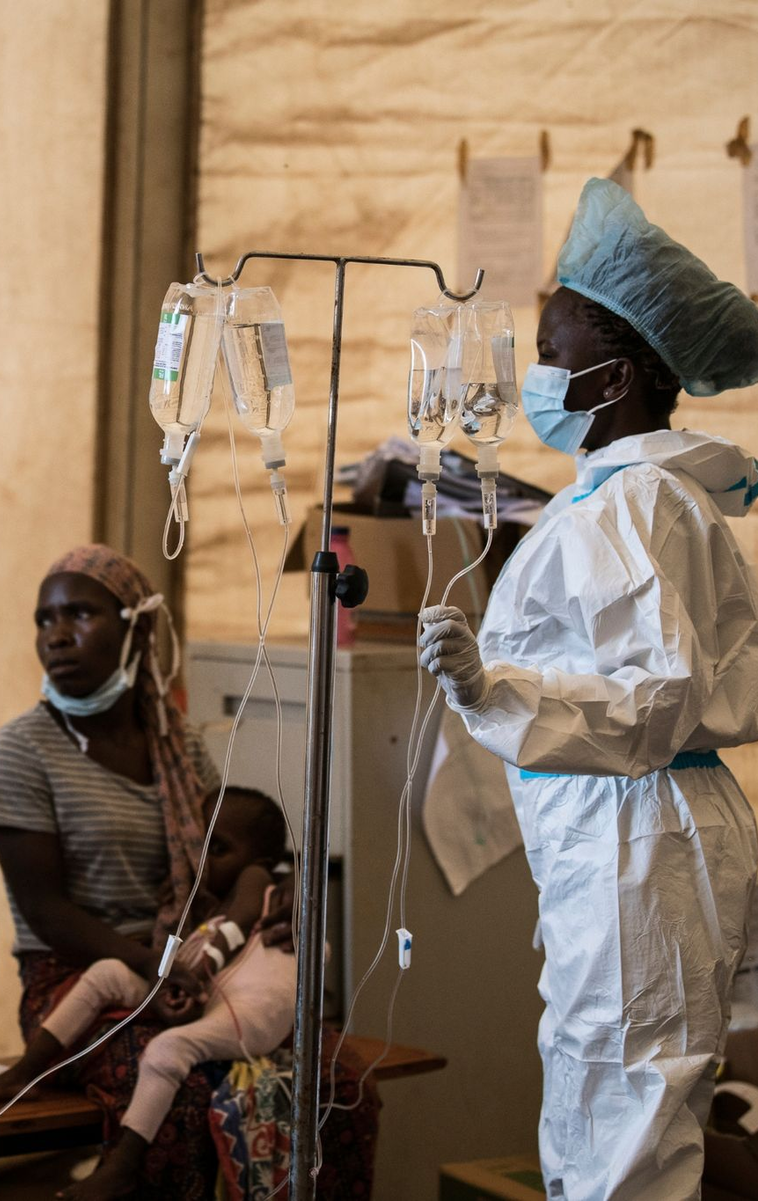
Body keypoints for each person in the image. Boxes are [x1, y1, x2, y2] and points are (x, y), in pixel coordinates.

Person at [419, 178, 758, 1199]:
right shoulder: (623, 500)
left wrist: (494, 687)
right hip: (630, 841)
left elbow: (653, 700)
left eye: (556, 354)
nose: (539, 374)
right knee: (608, 1114)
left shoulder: (639, 505)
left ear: (612, 379)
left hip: (637, 841)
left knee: (625, 1139)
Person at [0, 544, 378, 1199]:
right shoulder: (24, 750)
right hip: (78, 983)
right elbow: (45, 908)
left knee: (333, 1074)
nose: (55, 634)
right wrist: (153, 964)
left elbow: (235, 856)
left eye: (79, 613)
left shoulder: (179, 743)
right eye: (44, 619)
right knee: (187, 1089)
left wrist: (279, 903)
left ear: (136, 626)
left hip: (197, 963)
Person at [0, 786, 295, 1200]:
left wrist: (200, 970)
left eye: (217, 849)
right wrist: (175, 990)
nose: (201, 861)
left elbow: (234, 929)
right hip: (213, 995)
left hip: (250, 1011)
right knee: (108, 972)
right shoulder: (206, 906)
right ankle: (23, 1075)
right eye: (197, 846)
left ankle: (123, 1167)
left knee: (167, 1051)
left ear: (260, 863)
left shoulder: (253, 882)